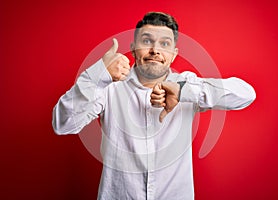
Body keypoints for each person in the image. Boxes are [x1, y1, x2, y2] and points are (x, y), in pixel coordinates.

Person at [52, 12, 256, 200]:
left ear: (174, 54)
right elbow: (62, 124)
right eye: (147, 41)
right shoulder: (109, 88)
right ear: (133, 48)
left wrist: (183, 91)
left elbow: (246, 94)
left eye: (164, 43)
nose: (155, 50)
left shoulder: (187, 85)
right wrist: (98, 74)